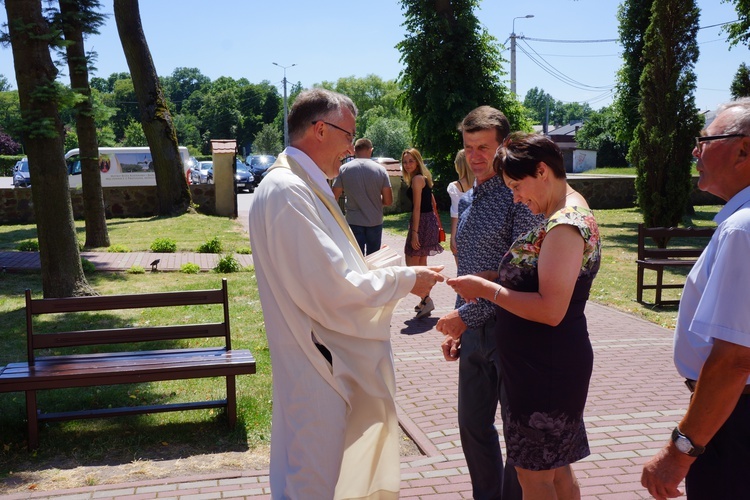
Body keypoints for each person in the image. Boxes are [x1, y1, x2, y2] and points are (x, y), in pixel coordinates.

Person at [247, 88, 444, 499]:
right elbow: (332, 289)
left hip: (318, 352)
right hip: (319, 362)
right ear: (320, 129)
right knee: (318, 476)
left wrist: (377, 267)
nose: (351, 149)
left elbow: (322, 272)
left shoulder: (302, 184)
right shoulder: (288, 191)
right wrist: (407, 279)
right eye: (348, 136)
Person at [446, 132, 601, 499]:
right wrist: (493, 277)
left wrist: (486, 290)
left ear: (543, 171)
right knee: (557, 469)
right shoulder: (561, 211)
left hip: (543, 368)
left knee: (534, 478)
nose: (516, 197)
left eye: (517, 186)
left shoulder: (564, 224)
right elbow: (541, 277)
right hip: (543, 363)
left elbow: (550, 309)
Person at [641, 98, 750, 499]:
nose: (695, 151)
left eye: (705, 140)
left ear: (743, 149)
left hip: (737, 422)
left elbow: (735, 357)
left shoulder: (743, 228)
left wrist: (679, 452)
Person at [436, 106, 541, 500]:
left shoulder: (519, 199)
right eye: (468, 147)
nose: (475, 156)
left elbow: (520, 275)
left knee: (517, 431)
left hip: (511, 328)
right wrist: (460, 323)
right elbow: (467, 268)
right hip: (473, 330)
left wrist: (463, 316)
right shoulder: (465, 201)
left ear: (503, 148)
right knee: (472, 425)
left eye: (484, 147)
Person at [401, 147, 444, 319]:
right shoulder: (423, 178)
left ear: (418, 162)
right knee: (421, 265)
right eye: (405, 162)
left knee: (412, 264)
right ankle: (425, 300)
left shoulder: (417, 179)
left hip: (422, 223)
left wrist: (415, 232)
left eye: (411, 161)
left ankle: (426, 299)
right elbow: (432, 202)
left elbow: (417, 207)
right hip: (428, 221)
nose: (407, 164)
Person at [332, 138, 393, 255]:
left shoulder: (344, 169)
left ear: (355, 150)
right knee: (373, 258)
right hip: (374, 221)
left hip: (353, 221)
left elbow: (333, 197)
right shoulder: (381, 170)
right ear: (371, 150)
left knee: (356, 257)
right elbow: (388, 200)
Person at [447, 149, 474, 264]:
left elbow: (455, 214)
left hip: (463, 232)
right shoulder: (482, 182)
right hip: (480, 231)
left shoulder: (454, 187)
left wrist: (453, 237)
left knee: (463, 273)